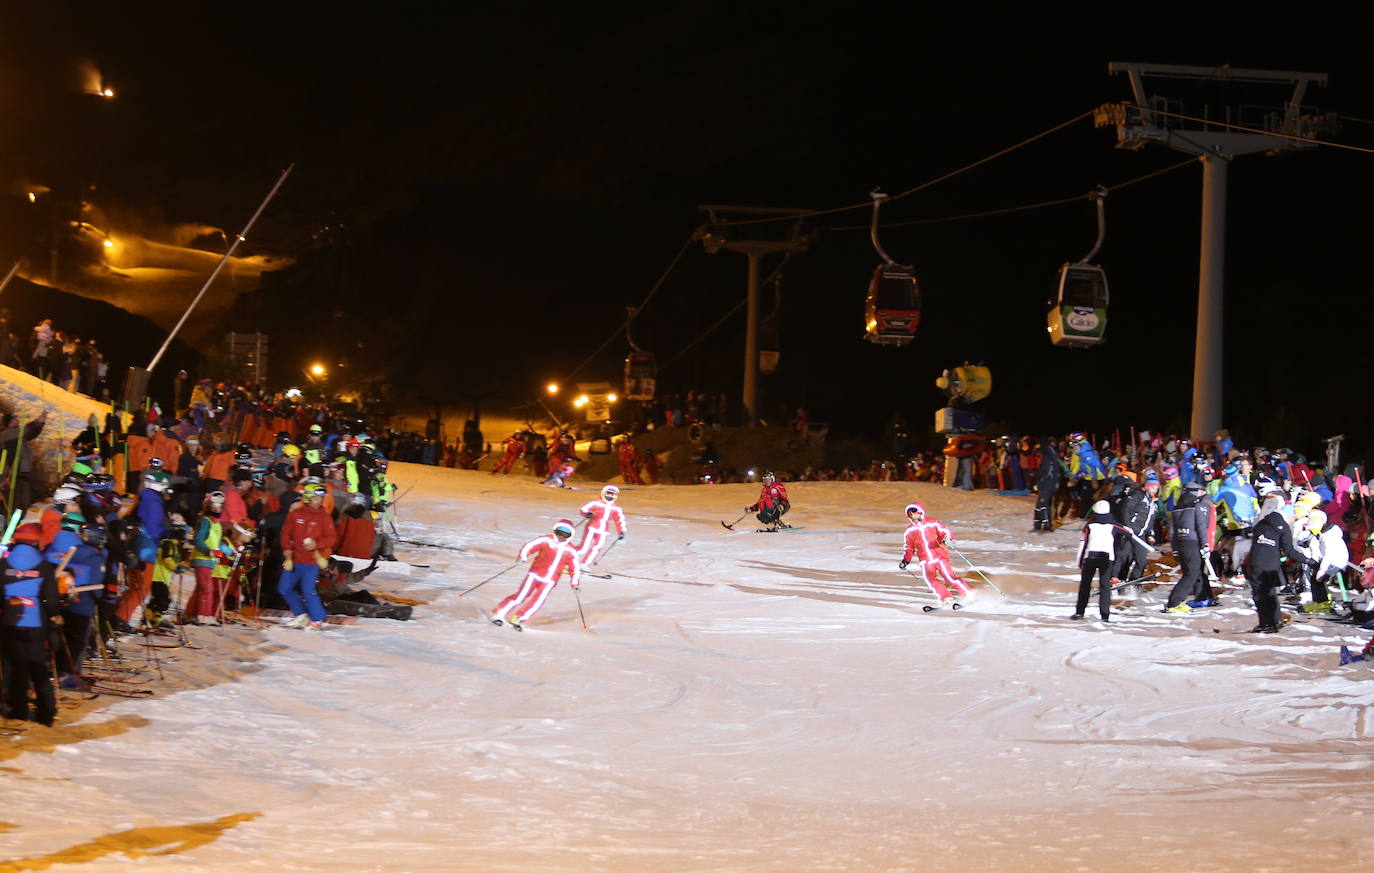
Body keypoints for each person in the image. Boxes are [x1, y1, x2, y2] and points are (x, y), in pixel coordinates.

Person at [2, 526, 60, 725]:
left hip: (10, 621)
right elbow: (51, 598)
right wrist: (54, 615)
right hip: (35, 622)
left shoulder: (3, 564)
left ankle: (19, 710)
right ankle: (46, 712)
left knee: (18, 666)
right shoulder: (44, 566)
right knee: (38, 666)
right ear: (36, 541)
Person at [491, 519, 582, 630]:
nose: (561, 536)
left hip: (550, 580)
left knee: (538, 600)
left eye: (565, 534)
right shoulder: (546, 540)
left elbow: (575, 567)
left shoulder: (570, 550)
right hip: (535, 574)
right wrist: (523, 557)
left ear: (570, 535)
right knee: (521, 596)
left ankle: (519, 618)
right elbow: (529, 546)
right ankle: (499, 614)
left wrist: (575, 584)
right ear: (555, 531)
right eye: (559, 533)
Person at [1245, 494, 1316, 633]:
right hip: (1272, 563)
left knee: (1260, 594)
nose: (1292, 521)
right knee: (1270, 593)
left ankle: (1266, 623)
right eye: (1293, 518)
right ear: (1287, 516)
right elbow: (1290, 551)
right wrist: (1308, 561)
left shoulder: (1261, 523)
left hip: (1256, 561)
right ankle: (1274, 622)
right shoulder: (1283, 527)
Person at [278, 481, 337, 631]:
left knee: (308, 590)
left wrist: (316, 544)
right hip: (294, 559)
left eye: (321, 498)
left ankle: (317, 619)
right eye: (316, 498)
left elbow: (331, 538)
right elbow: (286, 533)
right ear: (309, 498)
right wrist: (287, 552)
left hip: (311, 561)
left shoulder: (324, 517)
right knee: (284, 588)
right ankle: (301, 615)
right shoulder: (296, 514)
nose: (319, 501)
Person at [899, 502, 973, 608]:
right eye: (909, 514)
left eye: (914, 512)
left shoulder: (932, 523)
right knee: (931, 580)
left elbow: (944, 530)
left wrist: (947, 538)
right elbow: (909, 548)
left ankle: (968, 594)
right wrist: (905, 560)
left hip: (939, 556)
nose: (913, 516)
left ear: (921, 512)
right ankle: (946, 597)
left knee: (949, 577)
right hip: (925, 560)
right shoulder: (910, 530)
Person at [1163, 483, 1215, 613]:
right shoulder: (1198, 505)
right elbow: (1201, 526)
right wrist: (1205, 544)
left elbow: (1172, 531)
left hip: (1181, 542)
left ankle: (1204, 596)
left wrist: (1174, 548)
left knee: (1195, 571)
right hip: (1193, 541)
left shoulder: (1176, 508)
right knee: (1190, 574)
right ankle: (1174, 602)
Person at [1073, 500, 1118, 621]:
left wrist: (1080, 561)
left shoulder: (1090, 525)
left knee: (1085, 586)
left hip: (1090, 557)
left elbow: (1083, 543)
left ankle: (1079, 612)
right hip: (1107, 558)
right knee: (1105, 587)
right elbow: (1123, 538)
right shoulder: (1113, 525)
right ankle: (1105, 614)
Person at [577, 484, 627, 566]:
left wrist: (621, 531)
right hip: (592, 527)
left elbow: (619, 520)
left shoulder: (615, 507)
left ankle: (585, 564)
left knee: (597, 547)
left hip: (603, 530)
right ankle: (567, 559)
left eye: (612, 494)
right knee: (583, 547)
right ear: (604, 493)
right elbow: (584, 509)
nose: (609, 496)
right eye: (608, 493)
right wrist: (587, 514)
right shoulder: (596, 502)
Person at [1032, 437, 1059, 532]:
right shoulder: (1047, 453)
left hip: (1048, 483)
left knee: (1044, 504)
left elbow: (1046, 471)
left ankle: (1047, 526)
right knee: (1039, 505)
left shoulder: (1048, 455)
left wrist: (1035, 474)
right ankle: (1037, 524)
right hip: (1045, 483)